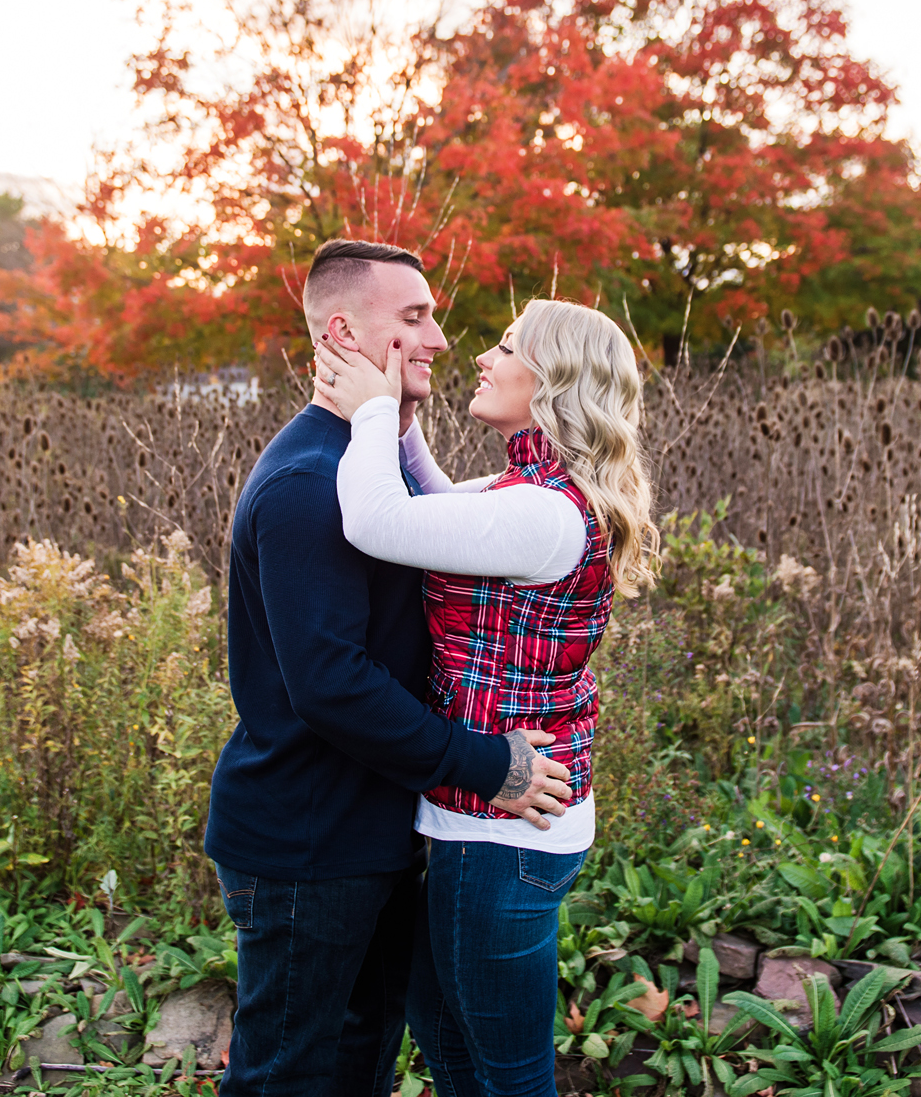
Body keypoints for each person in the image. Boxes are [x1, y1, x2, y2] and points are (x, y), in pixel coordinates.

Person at [205, 239, 574, 1097]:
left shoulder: (363, 468)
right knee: (287, 1075)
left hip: (365, 829)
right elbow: (332, 683)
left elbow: (445, 525)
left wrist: (393, 426)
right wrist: (491, 764)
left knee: (357, 1059)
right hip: (307, 841)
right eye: (415, 318)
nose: (441, 338)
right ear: (344, 333)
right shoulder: (307, 483)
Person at [314, 298, 660, 1097]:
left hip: (501, 837)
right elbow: (442, 503)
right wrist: (399, 412)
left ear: (552, 380)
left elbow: (376, 519)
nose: (481, 356)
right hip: (494, 820)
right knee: (446, 1037)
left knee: (509, 1076)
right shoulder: (535, 491)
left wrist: (369, 407)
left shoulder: (540, 513)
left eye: (506, 345)